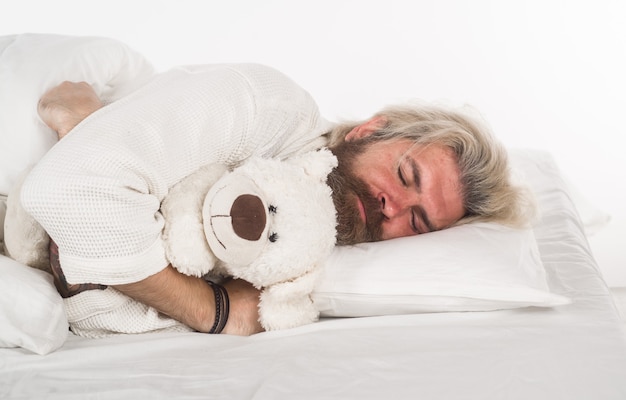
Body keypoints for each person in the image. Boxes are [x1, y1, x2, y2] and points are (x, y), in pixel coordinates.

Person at [24, 64, 530, 337]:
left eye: (417, 222)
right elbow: (69, 191)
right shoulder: (267, 108)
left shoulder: (307, 252)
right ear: (371, 130)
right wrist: (213, 310)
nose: (390, 205)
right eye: (404, 174)